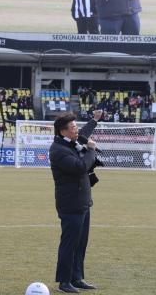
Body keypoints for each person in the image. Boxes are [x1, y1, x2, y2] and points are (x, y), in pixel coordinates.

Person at [50, 109, 103, 293]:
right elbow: (81, 167)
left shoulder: (72, 142)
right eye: (73, 128)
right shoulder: (58, 150)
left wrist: (94, 120)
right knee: (69, 243)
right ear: (63, 131)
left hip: (82, 202)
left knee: (81, 243)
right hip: (70, 204)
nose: (76, 130)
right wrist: (91, 149)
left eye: (76, 126)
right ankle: (64, 282)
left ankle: (77, 278)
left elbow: (84, 134)